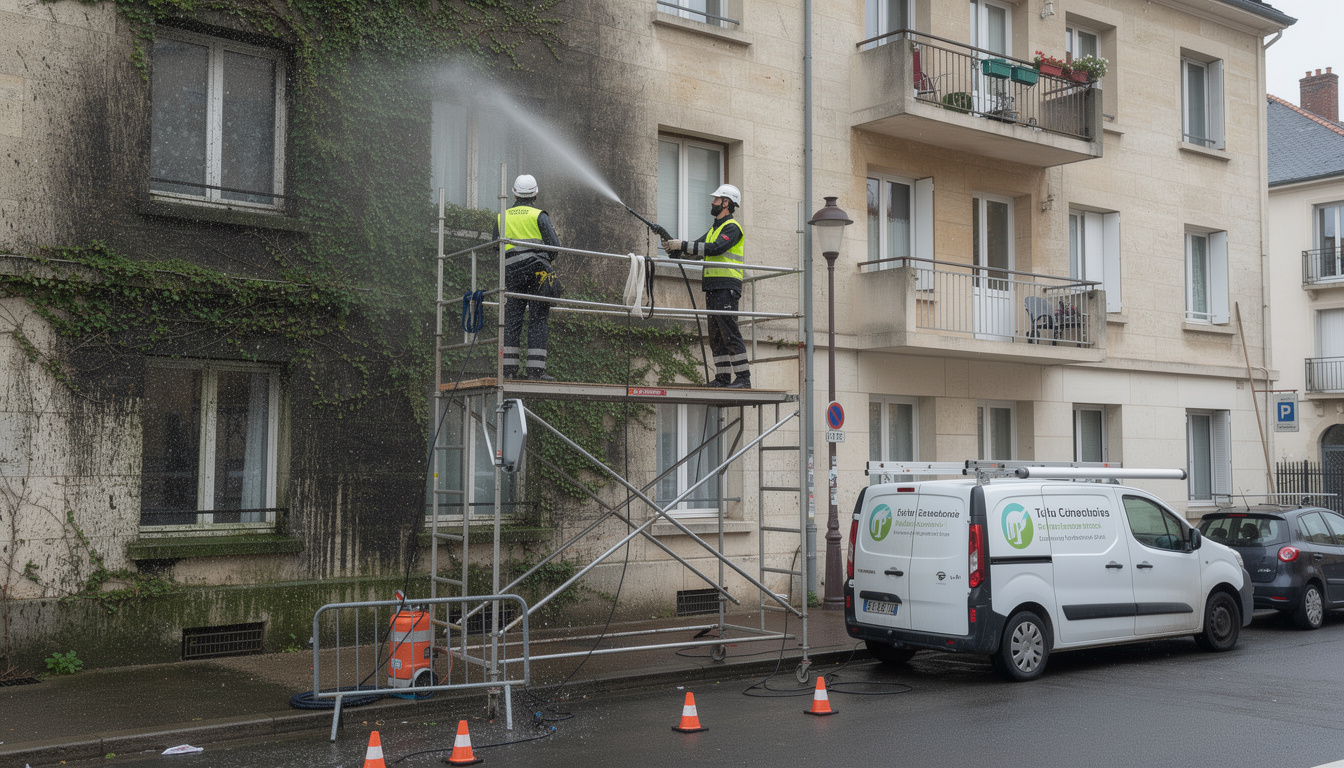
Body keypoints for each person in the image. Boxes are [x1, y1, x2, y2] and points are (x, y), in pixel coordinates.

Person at [662, 184, 750, 388]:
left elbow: (715, 248)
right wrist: (675, 250)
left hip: (726, 287)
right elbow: (697, 250)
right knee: (716, 336)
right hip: (713, 287)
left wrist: (682, 245)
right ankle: (722, 378)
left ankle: (744, 379)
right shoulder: (714, 229)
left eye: (716, 199)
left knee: (730, 333)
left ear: (726, 203)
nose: (713, 202)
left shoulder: (732, 228)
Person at [493, 174, 561, 381]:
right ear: (535, 195)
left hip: (512, 274)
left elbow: (496, 246)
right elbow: (554, 247)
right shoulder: (540, 216)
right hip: (537, 274)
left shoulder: (502, 217)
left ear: (514, 194)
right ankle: (535, 372)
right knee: (538, 318)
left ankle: (508, 371)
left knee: (512, 319)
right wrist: (542, 260)